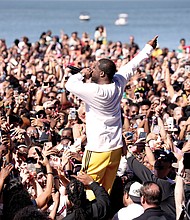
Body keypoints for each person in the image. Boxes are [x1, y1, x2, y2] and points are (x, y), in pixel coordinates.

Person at [65, 36, 158, 200]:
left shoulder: (95, 91)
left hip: (97, 149)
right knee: (104, 192)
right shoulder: (118, 82)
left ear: (101, 73)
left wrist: (80, 73)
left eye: (93, 68)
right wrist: (148, 48)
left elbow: (69, 85)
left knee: (87, 191)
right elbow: (132, 65)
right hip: (115, 149)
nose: (90, 69)